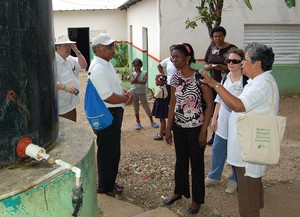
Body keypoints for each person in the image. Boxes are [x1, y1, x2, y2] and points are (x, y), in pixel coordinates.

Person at [200, 42, 278, 217]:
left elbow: (238, 105)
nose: (242, 63)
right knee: (251, 186)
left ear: (257, 64)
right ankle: (255, 208)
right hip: (248, 145)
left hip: (249, 150)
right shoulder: (256, 81)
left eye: (246, 60)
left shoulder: (261, 85)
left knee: (247, 192)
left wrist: (214, 85)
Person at [164, 43, 213, 214]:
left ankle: (197, 200)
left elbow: (209, 106)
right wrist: (168, 128)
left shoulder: (200, 77)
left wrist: (203, 130)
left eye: (177, 56)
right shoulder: (175, 77)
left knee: (197, 163)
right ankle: (179, 191)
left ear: (187, 58)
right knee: (181, 160)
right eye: (172, 56)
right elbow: (172, 104)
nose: (174, 59)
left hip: (195, 128)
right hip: (179, 126)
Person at [88, 33, 132, 195]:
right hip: (108, 114)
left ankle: (109, 183)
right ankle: (105, 187)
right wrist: (124, 98)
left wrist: (123, 91)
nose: (113, 49)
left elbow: (113, 87)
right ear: (97, 49)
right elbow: (107, 96)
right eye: (108, 47)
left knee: (112, 151)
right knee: (108, 152)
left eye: (112, 45)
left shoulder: (106, 64)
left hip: (113, 112)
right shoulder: (99, 68)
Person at [205, 48, 247, 194]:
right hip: (223, 122)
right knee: (217, 150)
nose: (231, 63)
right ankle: (214, 176)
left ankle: (235, 180)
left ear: (242, 63)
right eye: (229, 61)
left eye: (235, 61)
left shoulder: (247, 81)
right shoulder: (225, 78)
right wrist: (214, 118)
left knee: (236, 154)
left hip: (238, 125)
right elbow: (219, 100)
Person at [203, 26, 237, 145]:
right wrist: (209, 67)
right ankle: (215, 135)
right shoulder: (212, 47)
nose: (218, 38)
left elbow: (237, 65)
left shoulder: (232, 49)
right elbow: (205, 64)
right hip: (214, 84)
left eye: (220, 36)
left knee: (228, 109)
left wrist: (224, 67)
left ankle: (231, 135)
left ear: (224, 35)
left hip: (229, 84)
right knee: (215, 110)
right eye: (215, 36)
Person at [55, 35, 87, 122]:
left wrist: (77, 51)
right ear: (57, 47)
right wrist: (65, 87)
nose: (68, 48)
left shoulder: (70, 59)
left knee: (72, 122)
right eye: (65, 45)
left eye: (69, 45)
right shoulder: (53, 61)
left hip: (71, 102)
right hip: (62, 104)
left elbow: (83, 66)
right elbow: (50, 82)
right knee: (67, 127)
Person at [130, 58, 159, 130]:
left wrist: (136, 79)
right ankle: (138, 122)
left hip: (142, 93)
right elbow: (132, 82)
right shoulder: (132, 74)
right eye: (135, 66)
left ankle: (152, 121)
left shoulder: (145, 73)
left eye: (138, 66)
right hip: (134, 93)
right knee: (136, 108)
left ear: (141, 66)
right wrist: (137, 75)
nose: (137, 67)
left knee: (146, 107)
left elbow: (144, 82)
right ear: (133, 66)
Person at [150, 74, 169, 141]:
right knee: (162, 119)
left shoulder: (160, 90)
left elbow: (155, 97)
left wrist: (151, 91)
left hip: (160, 105)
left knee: (162, 119)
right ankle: (164, 131)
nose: (156, 82)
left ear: (160, 82)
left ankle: (160, 135)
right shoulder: (165, 87)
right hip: (163, 104)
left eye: (156, 81)